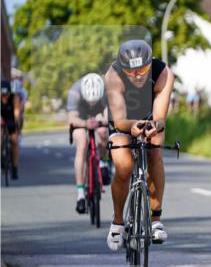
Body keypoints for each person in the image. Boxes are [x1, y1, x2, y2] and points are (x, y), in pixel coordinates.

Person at [104, 40, 175, 250]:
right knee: (124, 165)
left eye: (142, 69)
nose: (137, 75)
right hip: (123, 121)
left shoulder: (163, 72)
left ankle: (156, 220)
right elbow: (119, 120)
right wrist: (132, 126)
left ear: (149, 64)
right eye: (131, 71)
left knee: (155, 151)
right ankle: (117, 223)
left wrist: (155, 126)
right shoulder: (113, 75)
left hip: (149, 117)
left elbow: (160, 116)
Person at [67, 73, 111, 213]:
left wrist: (100, 122)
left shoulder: (105, 90)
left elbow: (109, 117)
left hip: (98, 113)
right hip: (81, 115)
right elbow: (72, 119)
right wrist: (85, 123)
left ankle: (104, 162)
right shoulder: (75, 91)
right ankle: (80, 194)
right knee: (82, 143)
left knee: (104, 132)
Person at [1, 79, 23, 179]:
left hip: (10, 119)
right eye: (3, 94)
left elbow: (17, 111)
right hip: (1, 119)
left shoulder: (14, 97)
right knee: (0, 136)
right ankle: (1, 157)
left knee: (14, 141)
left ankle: (14, 168)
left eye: (7, 94)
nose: (5, 96)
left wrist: (17, 124)